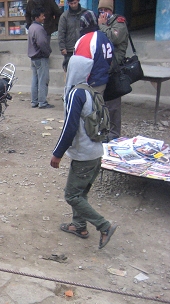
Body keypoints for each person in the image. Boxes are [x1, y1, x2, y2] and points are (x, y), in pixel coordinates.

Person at [50, 55, 118, 249]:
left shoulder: (75, 94)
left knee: (71, 195)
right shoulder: (90, 91)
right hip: (96, 152)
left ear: (72, 70)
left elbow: (70, 128)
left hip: (85, 155)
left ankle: (104, 226)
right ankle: (79, 226)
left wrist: (57, 153)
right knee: (81, 192)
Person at [97, 0, 129, 140]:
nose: (103, 13)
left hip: (115, 69)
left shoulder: (119, 23)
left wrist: (102, 26)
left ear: (111, 10)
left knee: (114, 106)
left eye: (106, 9)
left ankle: (114, 135)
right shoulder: (104, 24)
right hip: (104, 68)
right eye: (101, 9)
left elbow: (114, 38)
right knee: (103, 104)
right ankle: (104, 133)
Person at [73, 10, 114, 94]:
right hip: (102, 81)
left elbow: (81, 66)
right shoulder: (104, 36)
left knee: (89, 107)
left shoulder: (86, 40)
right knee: (99, 105)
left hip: (90, 84)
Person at [28, 7, 54, 109]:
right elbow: (42, 43)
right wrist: (48, 52)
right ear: (37, 17)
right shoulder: (39, 29)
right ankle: (42, 102)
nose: (44, 17)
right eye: (42, 16)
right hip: (40, 57)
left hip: (33, 58)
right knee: (43, 80)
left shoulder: (31, 27)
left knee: (35, 80)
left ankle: (34, 101)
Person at [58, 0, 86, 72]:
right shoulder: (64, 16)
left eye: (75, 3)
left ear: (78, 1)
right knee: (69, 71)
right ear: (68, 3)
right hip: (70, 49)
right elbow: (61, 33)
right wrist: (62, 47)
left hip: (83, 47)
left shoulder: (85, 13)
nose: (73, 5)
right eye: (71, 3)